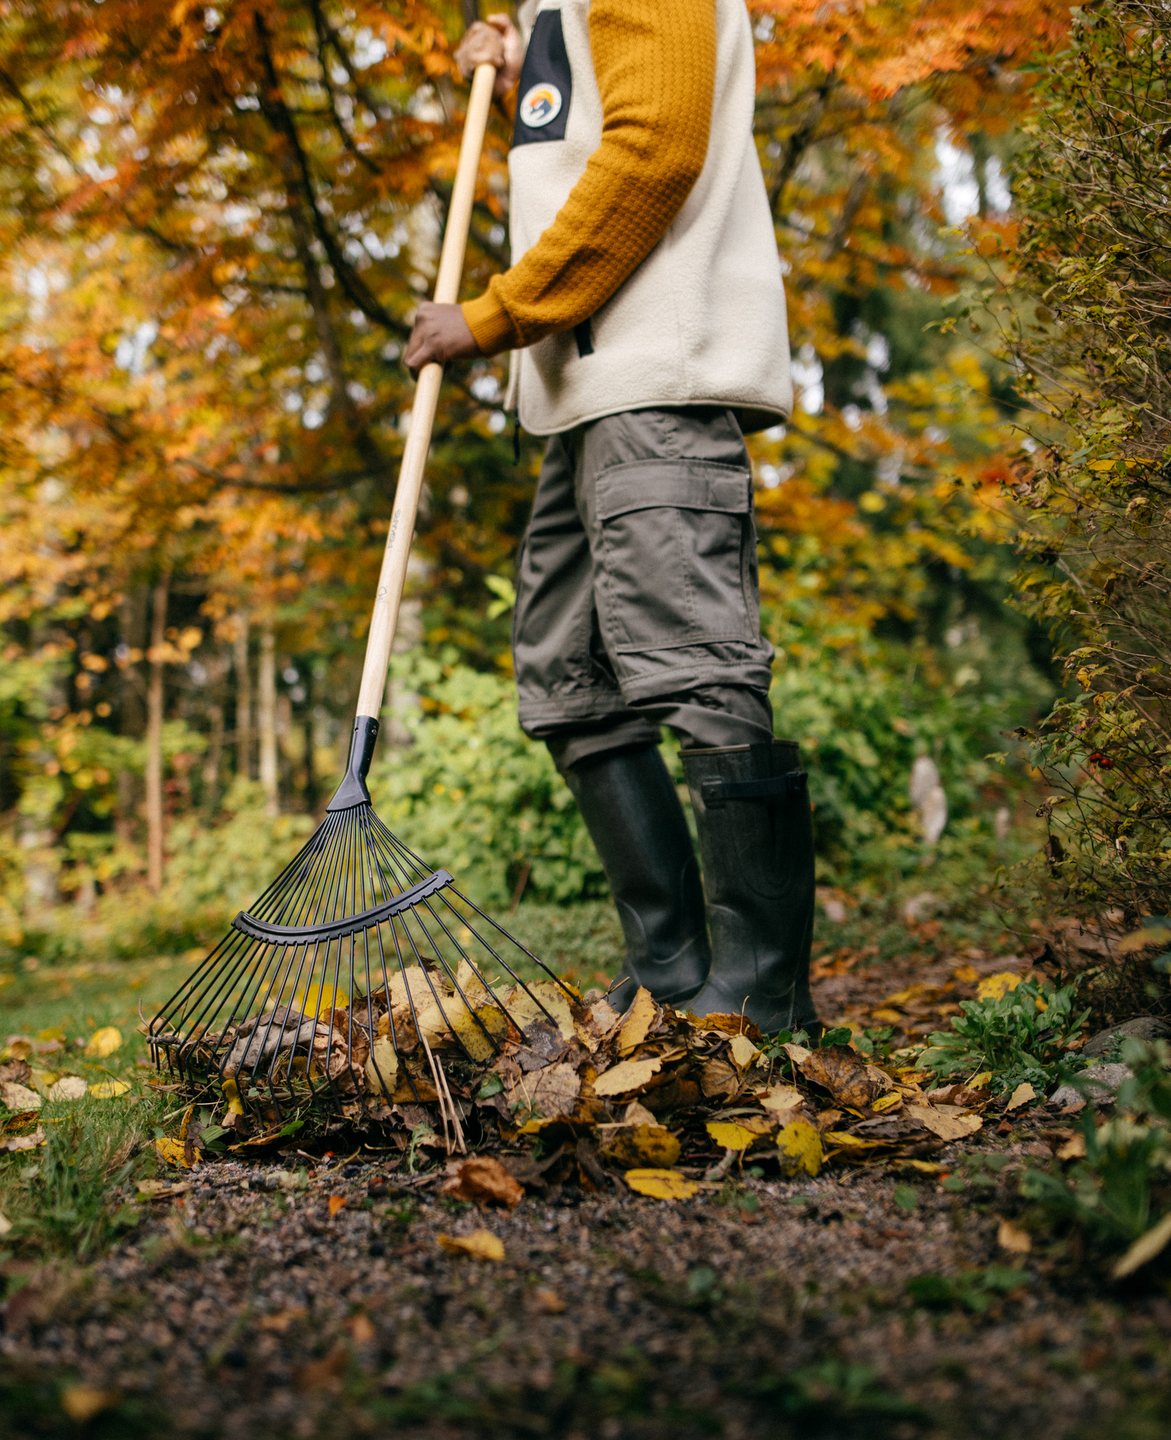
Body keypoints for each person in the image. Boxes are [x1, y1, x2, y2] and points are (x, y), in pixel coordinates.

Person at [404, 0, 817, 1035]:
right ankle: (673, 976)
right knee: (569, 681)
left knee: (696, 665)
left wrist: (493, 314)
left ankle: (763, 1003)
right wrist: (516, 77)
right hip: (582, 398)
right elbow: (596, 128)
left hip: (653, 380)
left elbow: (655, 153)